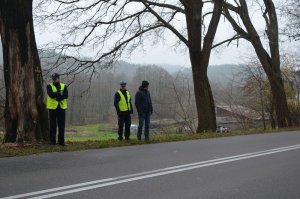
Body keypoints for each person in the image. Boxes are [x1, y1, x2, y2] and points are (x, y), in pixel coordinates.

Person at [46, 73, 68, 146]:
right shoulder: (49, 86)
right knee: (53, 126)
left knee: (61, 125)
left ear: (59, 78)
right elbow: (50, 94)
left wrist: (57, 97)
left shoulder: (64, 86)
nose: (54, 80)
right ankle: (52, 142)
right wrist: (59, 94)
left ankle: (61, 142)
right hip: (52, 108)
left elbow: (66, 95)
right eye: (53, 79)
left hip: (61, 108)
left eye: (55, 78)